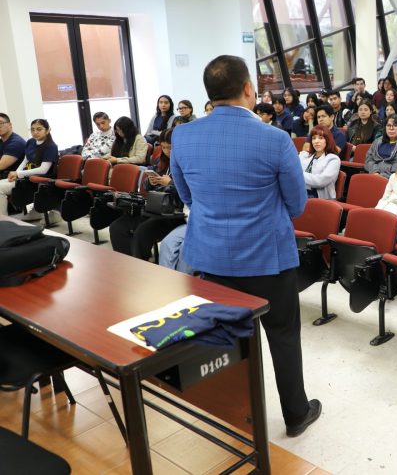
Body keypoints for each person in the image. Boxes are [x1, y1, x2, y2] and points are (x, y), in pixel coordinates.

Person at [170, 54, 320, 438]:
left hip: (210, 259)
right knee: (283, 335)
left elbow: (186, 196)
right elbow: (297, 205)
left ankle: (235, 418)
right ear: (249, 88)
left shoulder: (183, 136)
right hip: (268, 259)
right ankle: (295, 414)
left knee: (224, 341)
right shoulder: (275, 139)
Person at [109, 129, 186, 260]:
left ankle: (139, 264)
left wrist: (170, 183)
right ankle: (127, 262)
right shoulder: (160, 162)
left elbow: (189, 192)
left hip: (171, 214)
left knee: (142, 232)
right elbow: (144, 187)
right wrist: (150, 181)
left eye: (170, 147)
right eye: (163, 147)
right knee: (117, 227)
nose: (167, 151)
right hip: (152, 208)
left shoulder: (186, 164)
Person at [0, 119, 59, 217]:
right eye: (32, 129)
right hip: (25, 178)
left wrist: (19, 174)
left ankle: (3, 220)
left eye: (39, 129)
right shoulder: (31, 142)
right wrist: (16, 174)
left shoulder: (51, 146)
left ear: (47, 130)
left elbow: (43, 170)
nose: (35, 132)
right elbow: (25, 161)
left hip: (38, 180)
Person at [299, 126, 341, 199]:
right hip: (301, 191)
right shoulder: (305, 155)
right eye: (314, 138)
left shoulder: (333, 159)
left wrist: (297, 174)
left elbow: (320, 182)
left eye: (321, 138)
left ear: (327, 140)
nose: (316, 141)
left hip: (319, 197)